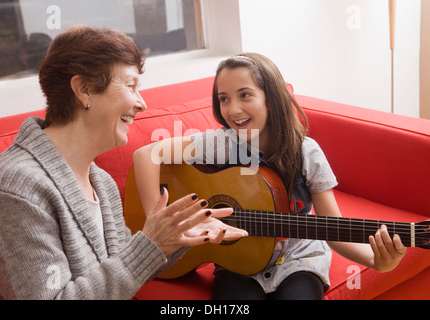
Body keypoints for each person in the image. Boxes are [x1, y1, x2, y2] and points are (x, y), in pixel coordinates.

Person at [0, 25, 248, 300]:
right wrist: (151, 242)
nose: (142, 104)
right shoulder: (13, 189)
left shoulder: (101, 182)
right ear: (84, 90)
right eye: (130, 85)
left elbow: (118, 270)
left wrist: (178, 236)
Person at [133, 53, 407, 300]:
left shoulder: (306, 154)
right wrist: (158, 223)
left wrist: (377, 261)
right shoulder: (222, 144)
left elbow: (333, 230)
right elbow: (146, 155)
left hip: (298, 261)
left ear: (272, 99)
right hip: (236, 263)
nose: (232, 109)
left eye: (245, 95)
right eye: (224, 98)